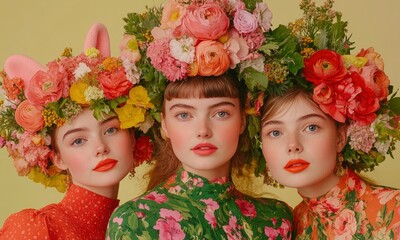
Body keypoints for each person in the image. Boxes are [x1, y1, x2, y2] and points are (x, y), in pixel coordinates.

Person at [107, 0, 294, 239]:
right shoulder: (135, 221)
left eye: (221, 113)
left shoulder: (275, 220)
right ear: (164, 124)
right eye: (184, 115)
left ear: (243, 121)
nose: (203, 130)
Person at [258, 0, 400, 238]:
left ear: (340, 137)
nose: (293, 144)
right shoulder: (289, 227)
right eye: (275, 132)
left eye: (311, 127)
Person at [0, 23, 152, 240]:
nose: (100, 147)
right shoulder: (36, 228)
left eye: (110, 129)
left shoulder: (139, 226)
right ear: (57, 158)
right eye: (78, 141)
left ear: (132, 134)